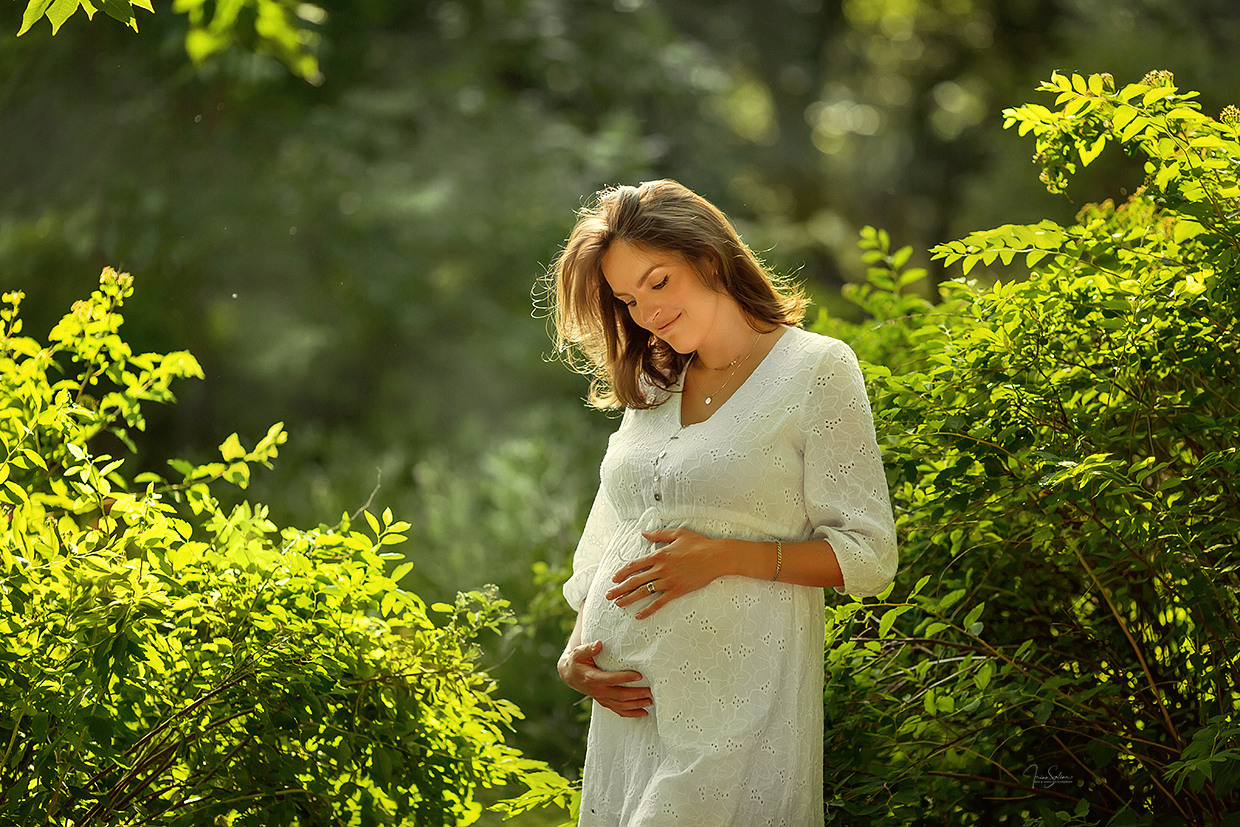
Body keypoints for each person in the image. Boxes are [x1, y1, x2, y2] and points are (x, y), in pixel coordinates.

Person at [545, 179, 897, 825]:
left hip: (736, 703)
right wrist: (578, 650)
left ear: (708, 258)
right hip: (632, 708)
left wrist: (725, 555)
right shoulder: (655, 383)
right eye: (627, 298)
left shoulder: (815, 368)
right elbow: (614, 532)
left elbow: (869, 557)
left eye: (658, 282)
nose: (646, 311)